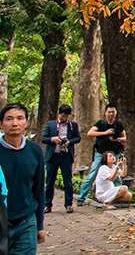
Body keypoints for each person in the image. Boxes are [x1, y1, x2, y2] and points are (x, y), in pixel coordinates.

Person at [0, 102, 45, 254]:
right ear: (1, 125)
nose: (15, 123)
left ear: (26, 122)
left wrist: (40, 226)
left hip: (26, 223)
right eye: (9, 119)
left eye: (20, 118)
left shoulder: (35, 151)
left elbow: (38, 190)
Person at [78, 105, 126, 204]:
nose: (111, 114)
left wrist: (118, 139)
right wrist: (105, 133)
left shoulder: (118, 125)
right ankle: (81, 197)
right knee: (92, 175)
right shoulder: (101, 123)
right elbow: (90, 133)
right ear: (105, 113)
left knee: (117, 176)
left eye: (113, 112)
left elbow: (124, 137)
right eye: (109, 112)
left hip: (114, 154)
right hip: (101, 154)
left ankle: (117, 198)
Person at [42, 104, 80, 214]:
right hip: (53, 156)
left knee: (68, 181)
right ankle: (47, 204)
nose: (64, 118)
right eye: (63, 116)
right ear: (59, 114)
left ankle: (68, 204)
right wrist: (53, 139)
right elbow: (43, 138)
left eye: (67, 116)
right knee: (50, 182)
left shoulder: (73, 126)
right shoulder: (51, 125)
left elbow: (78, 138)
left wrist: (70, 142)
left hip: (66, 156)